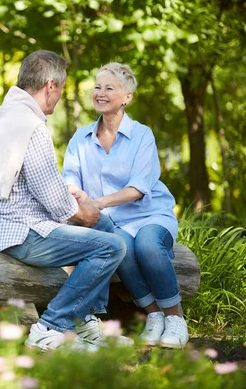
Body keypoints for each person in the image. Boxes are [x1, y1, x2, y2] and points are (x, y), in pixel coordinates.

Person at [0, 50, 132, 351]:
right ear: (50, 87)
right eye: (61, 88)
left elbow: (27, 182)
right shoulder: (33, 126)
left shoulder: (4, 116)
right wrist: (85, 209)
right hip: (18, 233)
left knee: (105, 227)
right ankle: (50, 327)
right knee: (112, 245)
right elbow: (57, 205)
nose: (58, 96)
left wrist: (72, 197)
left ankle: (86, 321)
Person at [62, 62, 188, 348]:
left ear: (127, 97)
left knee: (146, 245)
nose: (100, 93)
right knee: (120, 247)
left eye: (109, 88)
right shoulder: (80, 138)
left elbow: (139, 188)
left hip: (150, 215)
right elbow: (69, 178)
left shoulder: (142, 135)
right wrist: (77, 195)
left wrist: (97, 202)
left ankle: (175, 317)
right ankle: (154, 315)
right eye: (97, 87)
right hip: (111, 222)